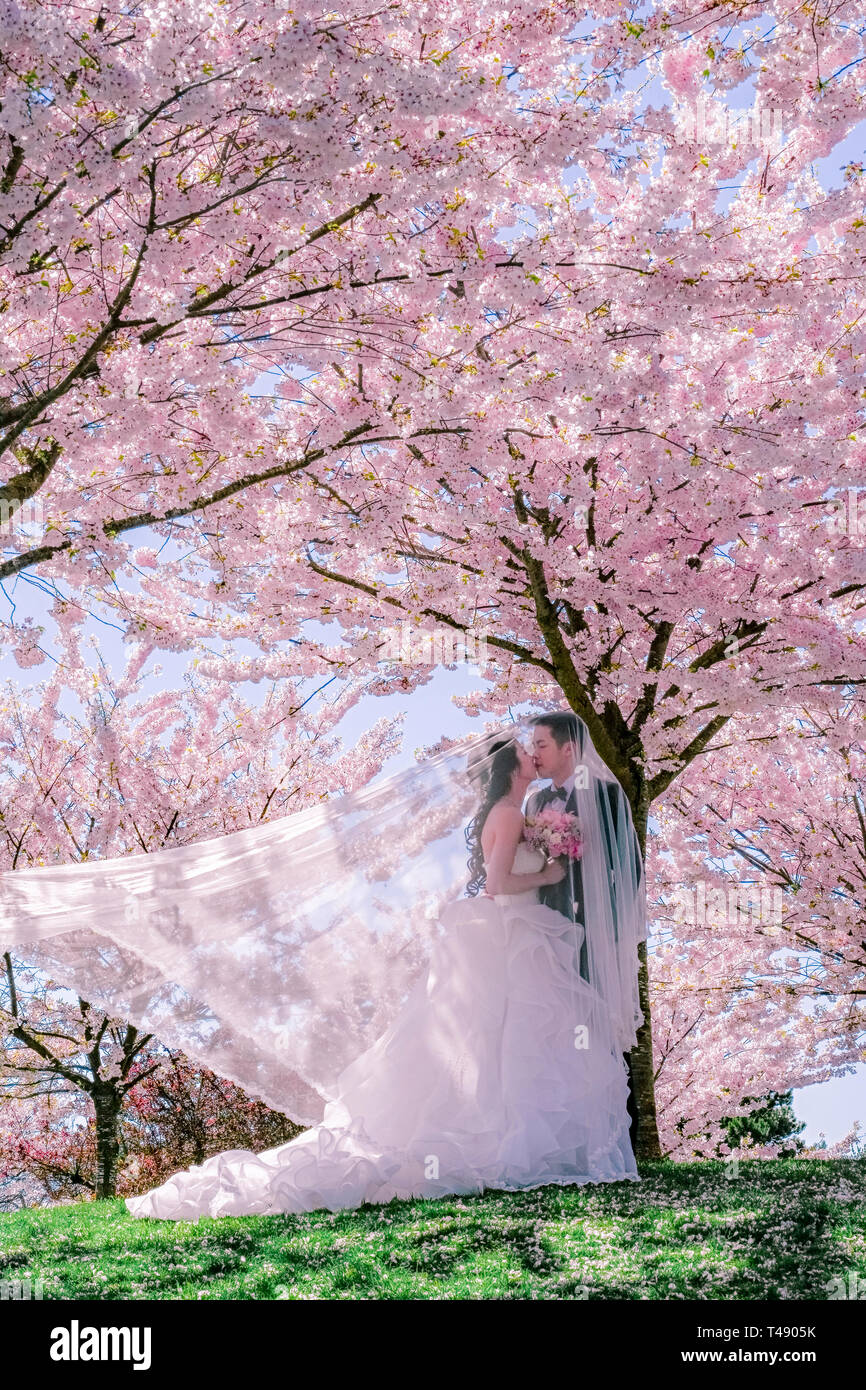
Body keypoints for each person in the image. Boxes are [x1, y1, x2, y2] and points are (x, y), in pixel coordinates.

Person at [123, 732, 640, 1219]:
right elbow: (497, 883)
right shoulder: (506, 815)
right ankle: (500, 1147)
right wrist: (551, 872)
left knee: (510, 1039)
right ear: (510, 766)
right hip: (506, 933)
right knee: (502, 1036)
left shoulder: (516, 812)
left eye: (538, 748)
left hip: (515, 933)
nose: (534, 755)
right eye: (527, 752)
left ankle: (520, 1148)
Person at [527, 713, 643, 1151]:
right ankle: (566, 1140)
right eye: (533, 745)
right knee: (556, 1024)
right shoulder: (535, 803)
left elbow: (628, 869)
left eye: (541, 744)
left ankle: (617, 1140)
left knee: (599, 1025)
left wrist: (610, 925)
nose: (534, 753)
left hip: (594, 930)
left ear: (569, 748)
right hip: (548, 928)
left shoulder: (608, 795)